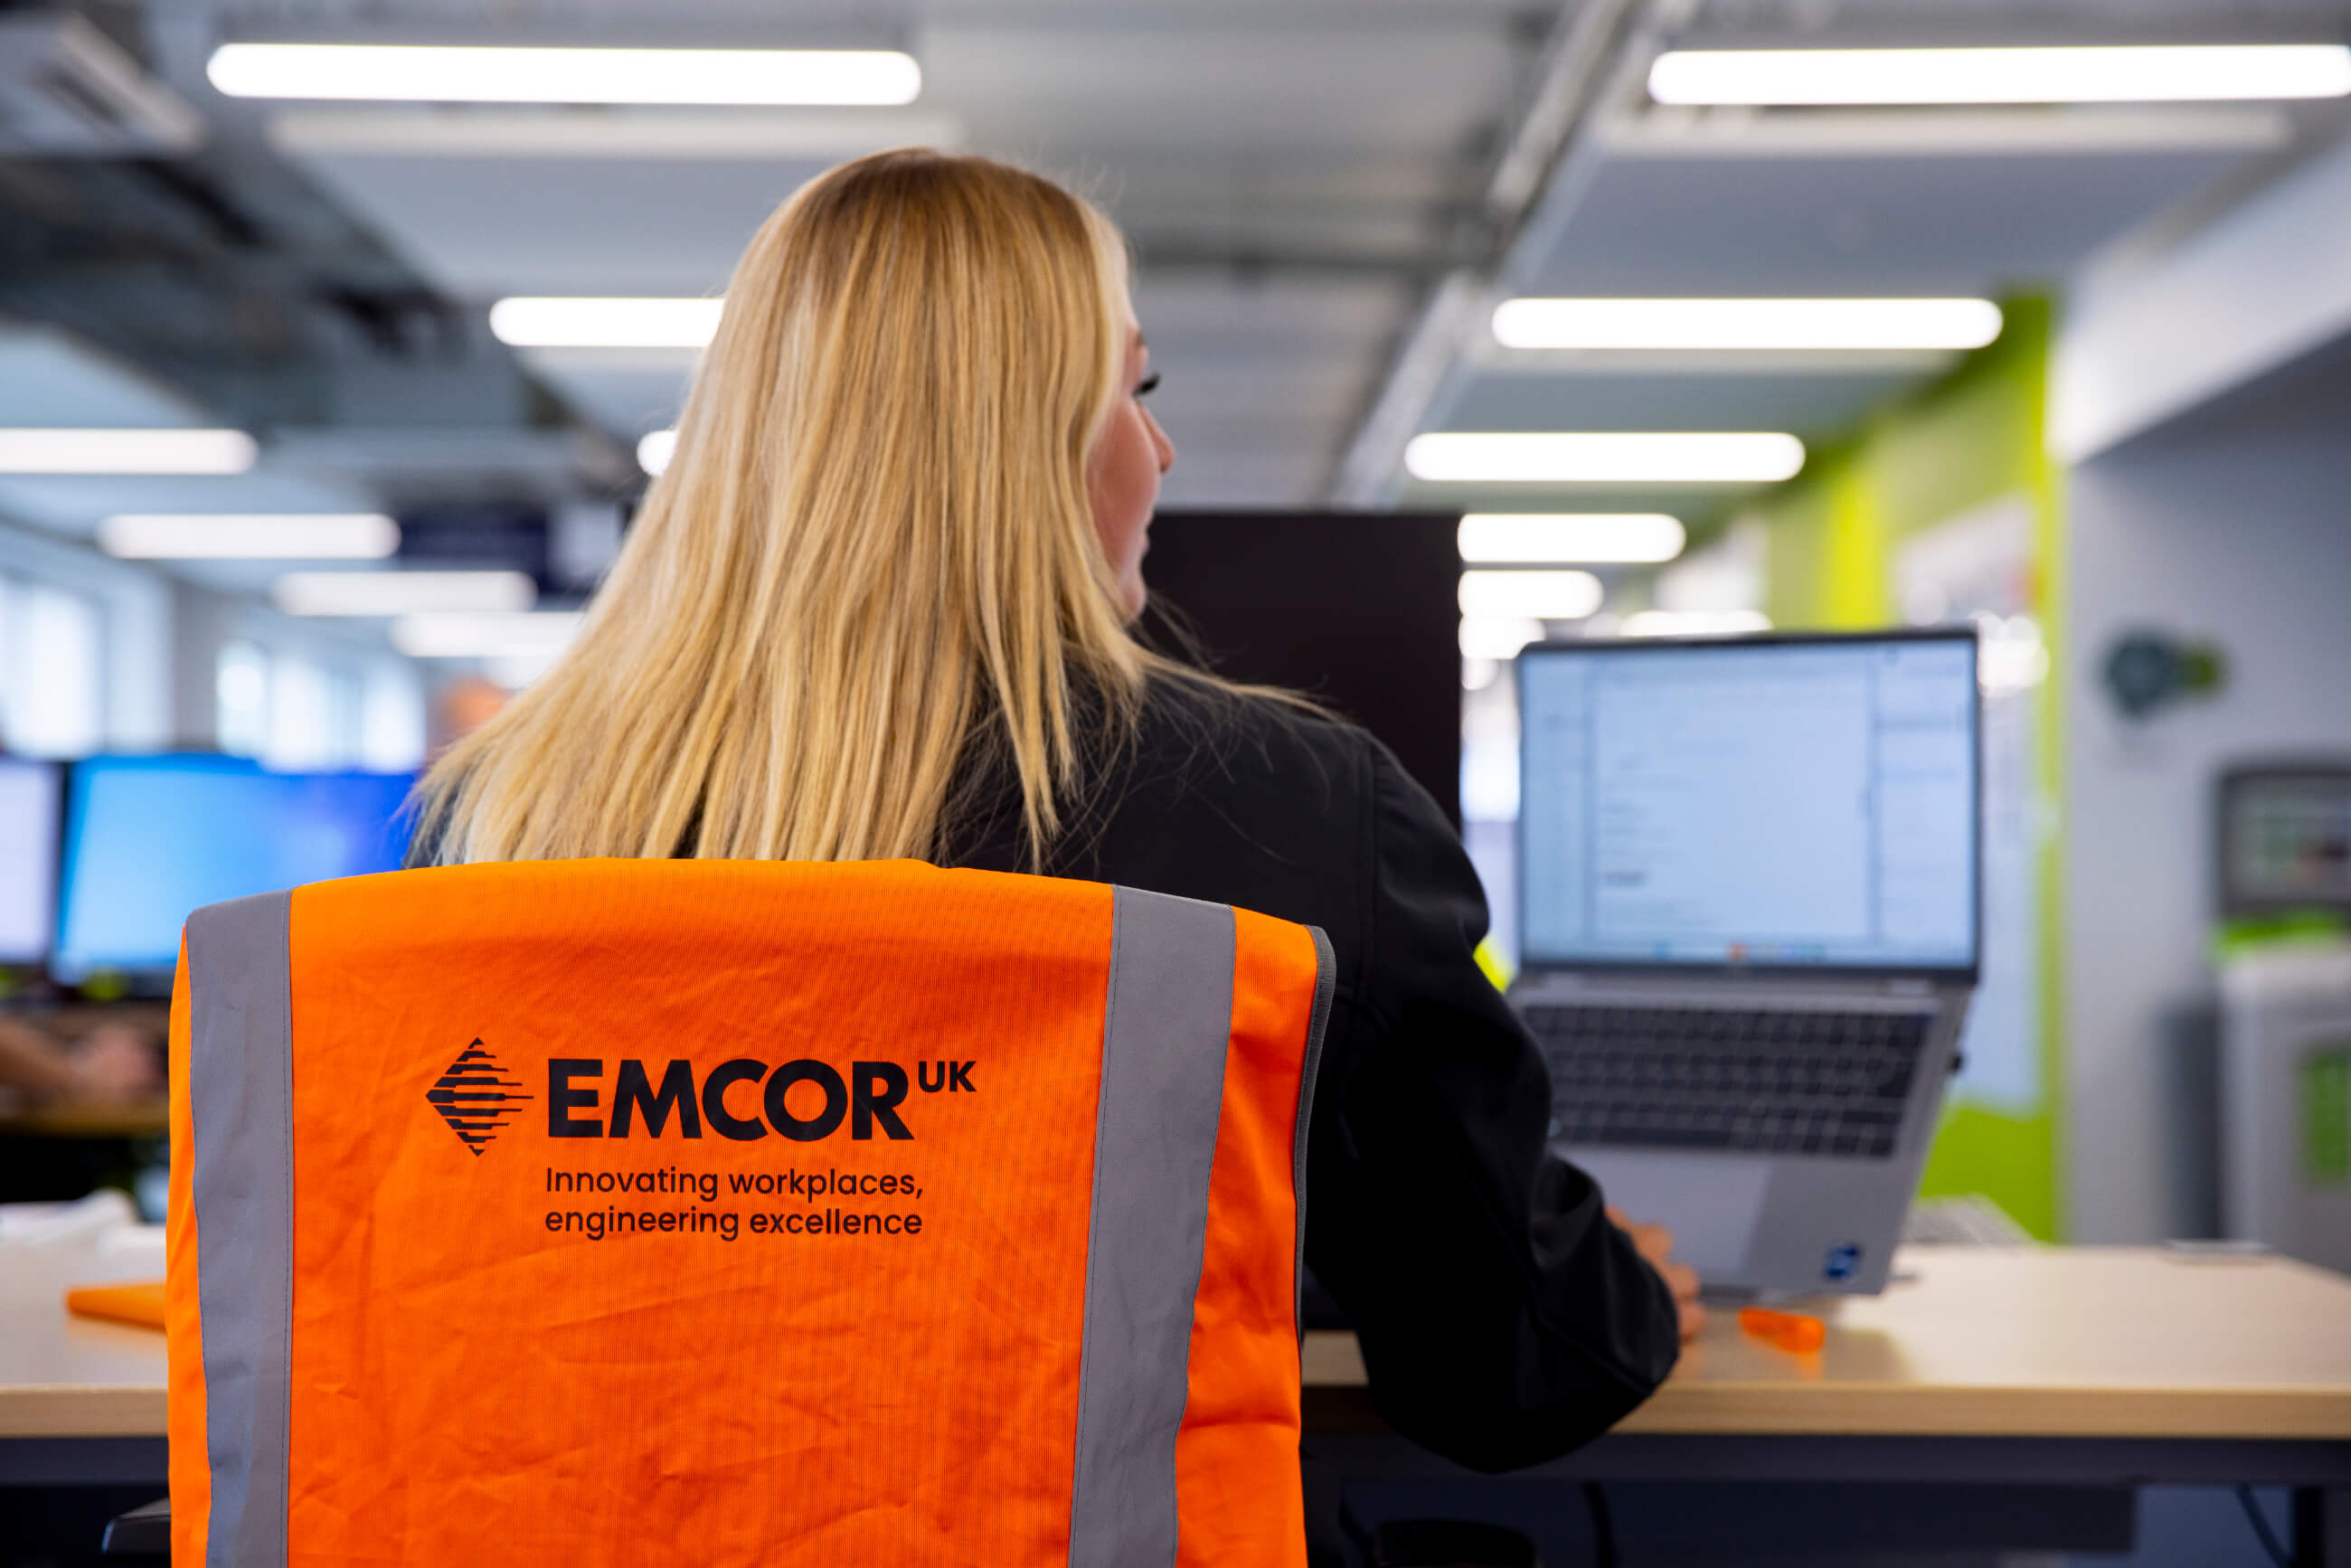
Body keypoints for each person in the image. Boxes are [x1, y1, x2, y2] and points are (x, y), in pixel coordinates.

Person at [411, 147, 1699, 1474]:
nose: (1160, 445)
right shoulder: (1300, 814)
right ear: (1022, 447)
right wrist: (1622, 1293)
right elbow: (1505, 1369)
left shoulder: (506, 816)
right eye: (1132, 391)